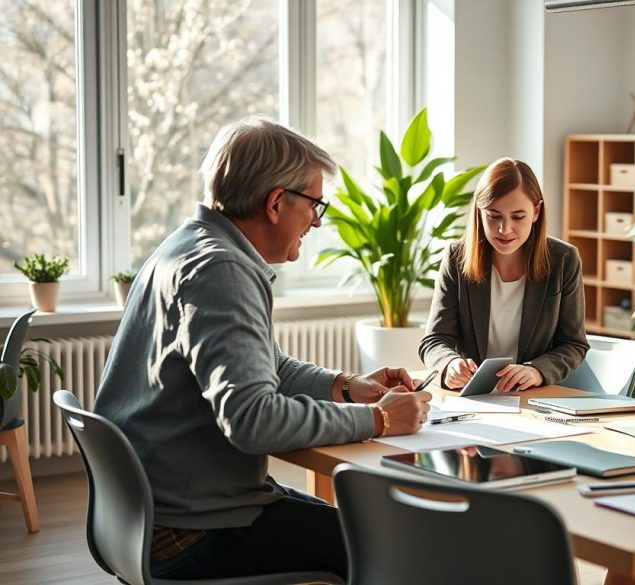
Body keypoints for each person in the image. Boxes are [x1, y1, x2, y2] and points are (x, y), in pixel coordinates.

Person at [93, 116, 431, 581]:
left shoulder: (188, 245)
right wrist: (382, 419)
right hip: (192, 529)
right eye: (315, 205)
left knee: (367, 524)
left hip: (154, 515)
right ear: (276, 202)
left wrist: (347, 387)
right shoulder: (222, 270)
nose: (316, 220)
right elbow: (253, 419)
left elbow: (266, 365)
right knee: (400, 545)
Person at [419, 157, 589, 393]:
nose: (504, 229)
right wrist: (450, 366)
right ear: (479, 212)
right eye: (494, 216)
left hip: (534, 398)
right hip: (471, 398)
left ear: (536, 211)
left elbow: (573, 343)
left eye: (518, 217)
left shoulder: (564, 260)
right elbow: (434, 340)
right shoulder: (456, 258)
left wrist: (536, 371)